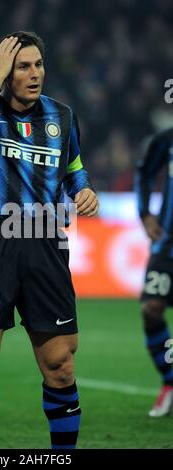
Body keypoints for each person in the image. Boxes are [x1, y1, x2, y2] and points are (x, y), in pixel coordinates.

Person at [0, 31, 99, 449]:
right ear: (5, 72)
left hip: (47, 242)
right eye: (23, 66)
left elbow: (73, 166)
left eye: (38, 65)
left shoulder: (62, 116)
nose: (34, 74)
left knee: (61, 365)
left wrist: (84, 189)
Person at [135, 127, 173, 417]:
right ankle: (170, 381)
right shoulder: (166, 139)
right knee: (151, 308)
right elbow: (145, 172)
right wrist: (145, 212)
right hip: (167, 242)